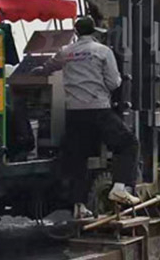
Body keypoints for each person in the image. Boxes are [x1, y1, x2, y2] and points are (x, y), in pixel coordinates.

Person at [34, 16, 140, 218]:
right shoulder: (102, 51)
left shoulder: (66, 52)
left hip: (74, 113)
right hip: (98, 109)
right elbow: (114, 83)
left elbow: (47, 67)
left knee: (78, 159)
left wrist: (39, 70)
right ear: (94, 31)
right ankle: (119, 187)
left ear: (76, 32)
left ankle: (79, 206)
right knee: (128, 143)